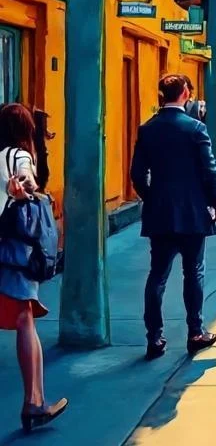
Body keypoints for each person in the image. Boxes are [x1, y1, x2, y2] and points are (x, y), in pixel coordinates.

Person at [130, 74, 216, 360]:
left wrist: (153, 199)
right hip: (193, 212)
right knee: (193, 272)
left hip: (160, 214)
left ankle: (154, 338)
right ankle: (195, 333)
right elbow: (210, 172)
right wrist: (215, 204)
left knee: (157, 275)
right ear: (185, 93)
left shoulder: (148, 129)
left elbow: (137, 175)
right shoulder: (195, 128)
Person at [0, 104, 65, 431]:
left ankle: (36, 402)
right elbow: (27, 179)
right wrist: (25, 189)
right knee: (25, 319)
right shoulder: (18, 155)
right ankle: (34, 402)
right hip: (12, 249)